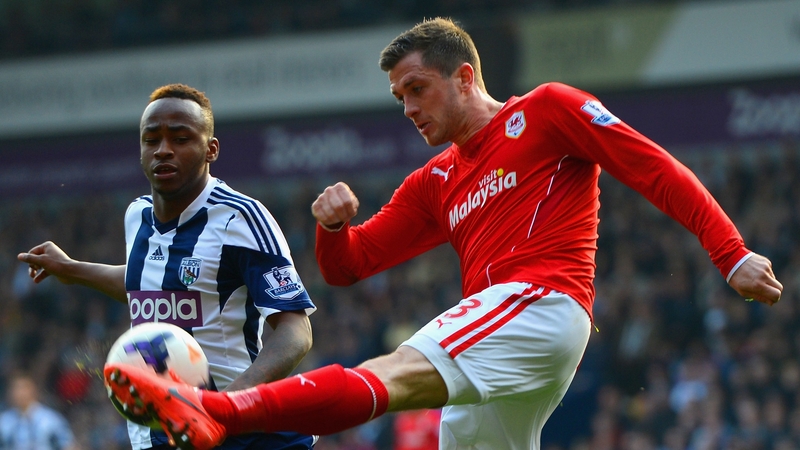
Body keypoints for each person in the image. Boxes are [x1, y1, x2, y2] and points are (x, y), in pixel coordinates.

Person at [101, 18, 783, 450]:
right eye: (399, 97)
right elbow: (350, 268)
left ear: (465, 77)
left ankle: (221, 410)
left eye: (417, 89)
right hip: (509, 344)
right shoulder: (436, 181)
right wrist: (331, 229)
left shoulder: (546, 111)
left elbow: (651, 166)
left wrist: (729, 251)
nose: (407, 108)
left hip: (541, 303)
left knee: (389, 374)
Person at [18, 84, 317, 450]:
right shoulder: (137, 215)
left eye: (180, 138)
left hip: (240, 429)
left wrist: (226, 404)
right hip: (159, 430)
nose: (163, 150)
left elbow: (296, 330)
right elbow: (145, 284)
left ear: (211, 149)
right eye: (151, 139)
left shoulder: (239, 218)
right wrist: (72, 268)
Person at [0, 373, 78, 450]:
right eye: (16, 389)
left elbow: (68, 445)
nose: (19, 393)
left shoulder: (51, 420)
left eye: (23, 388)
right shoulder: (4, 421)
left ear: (34, 390)